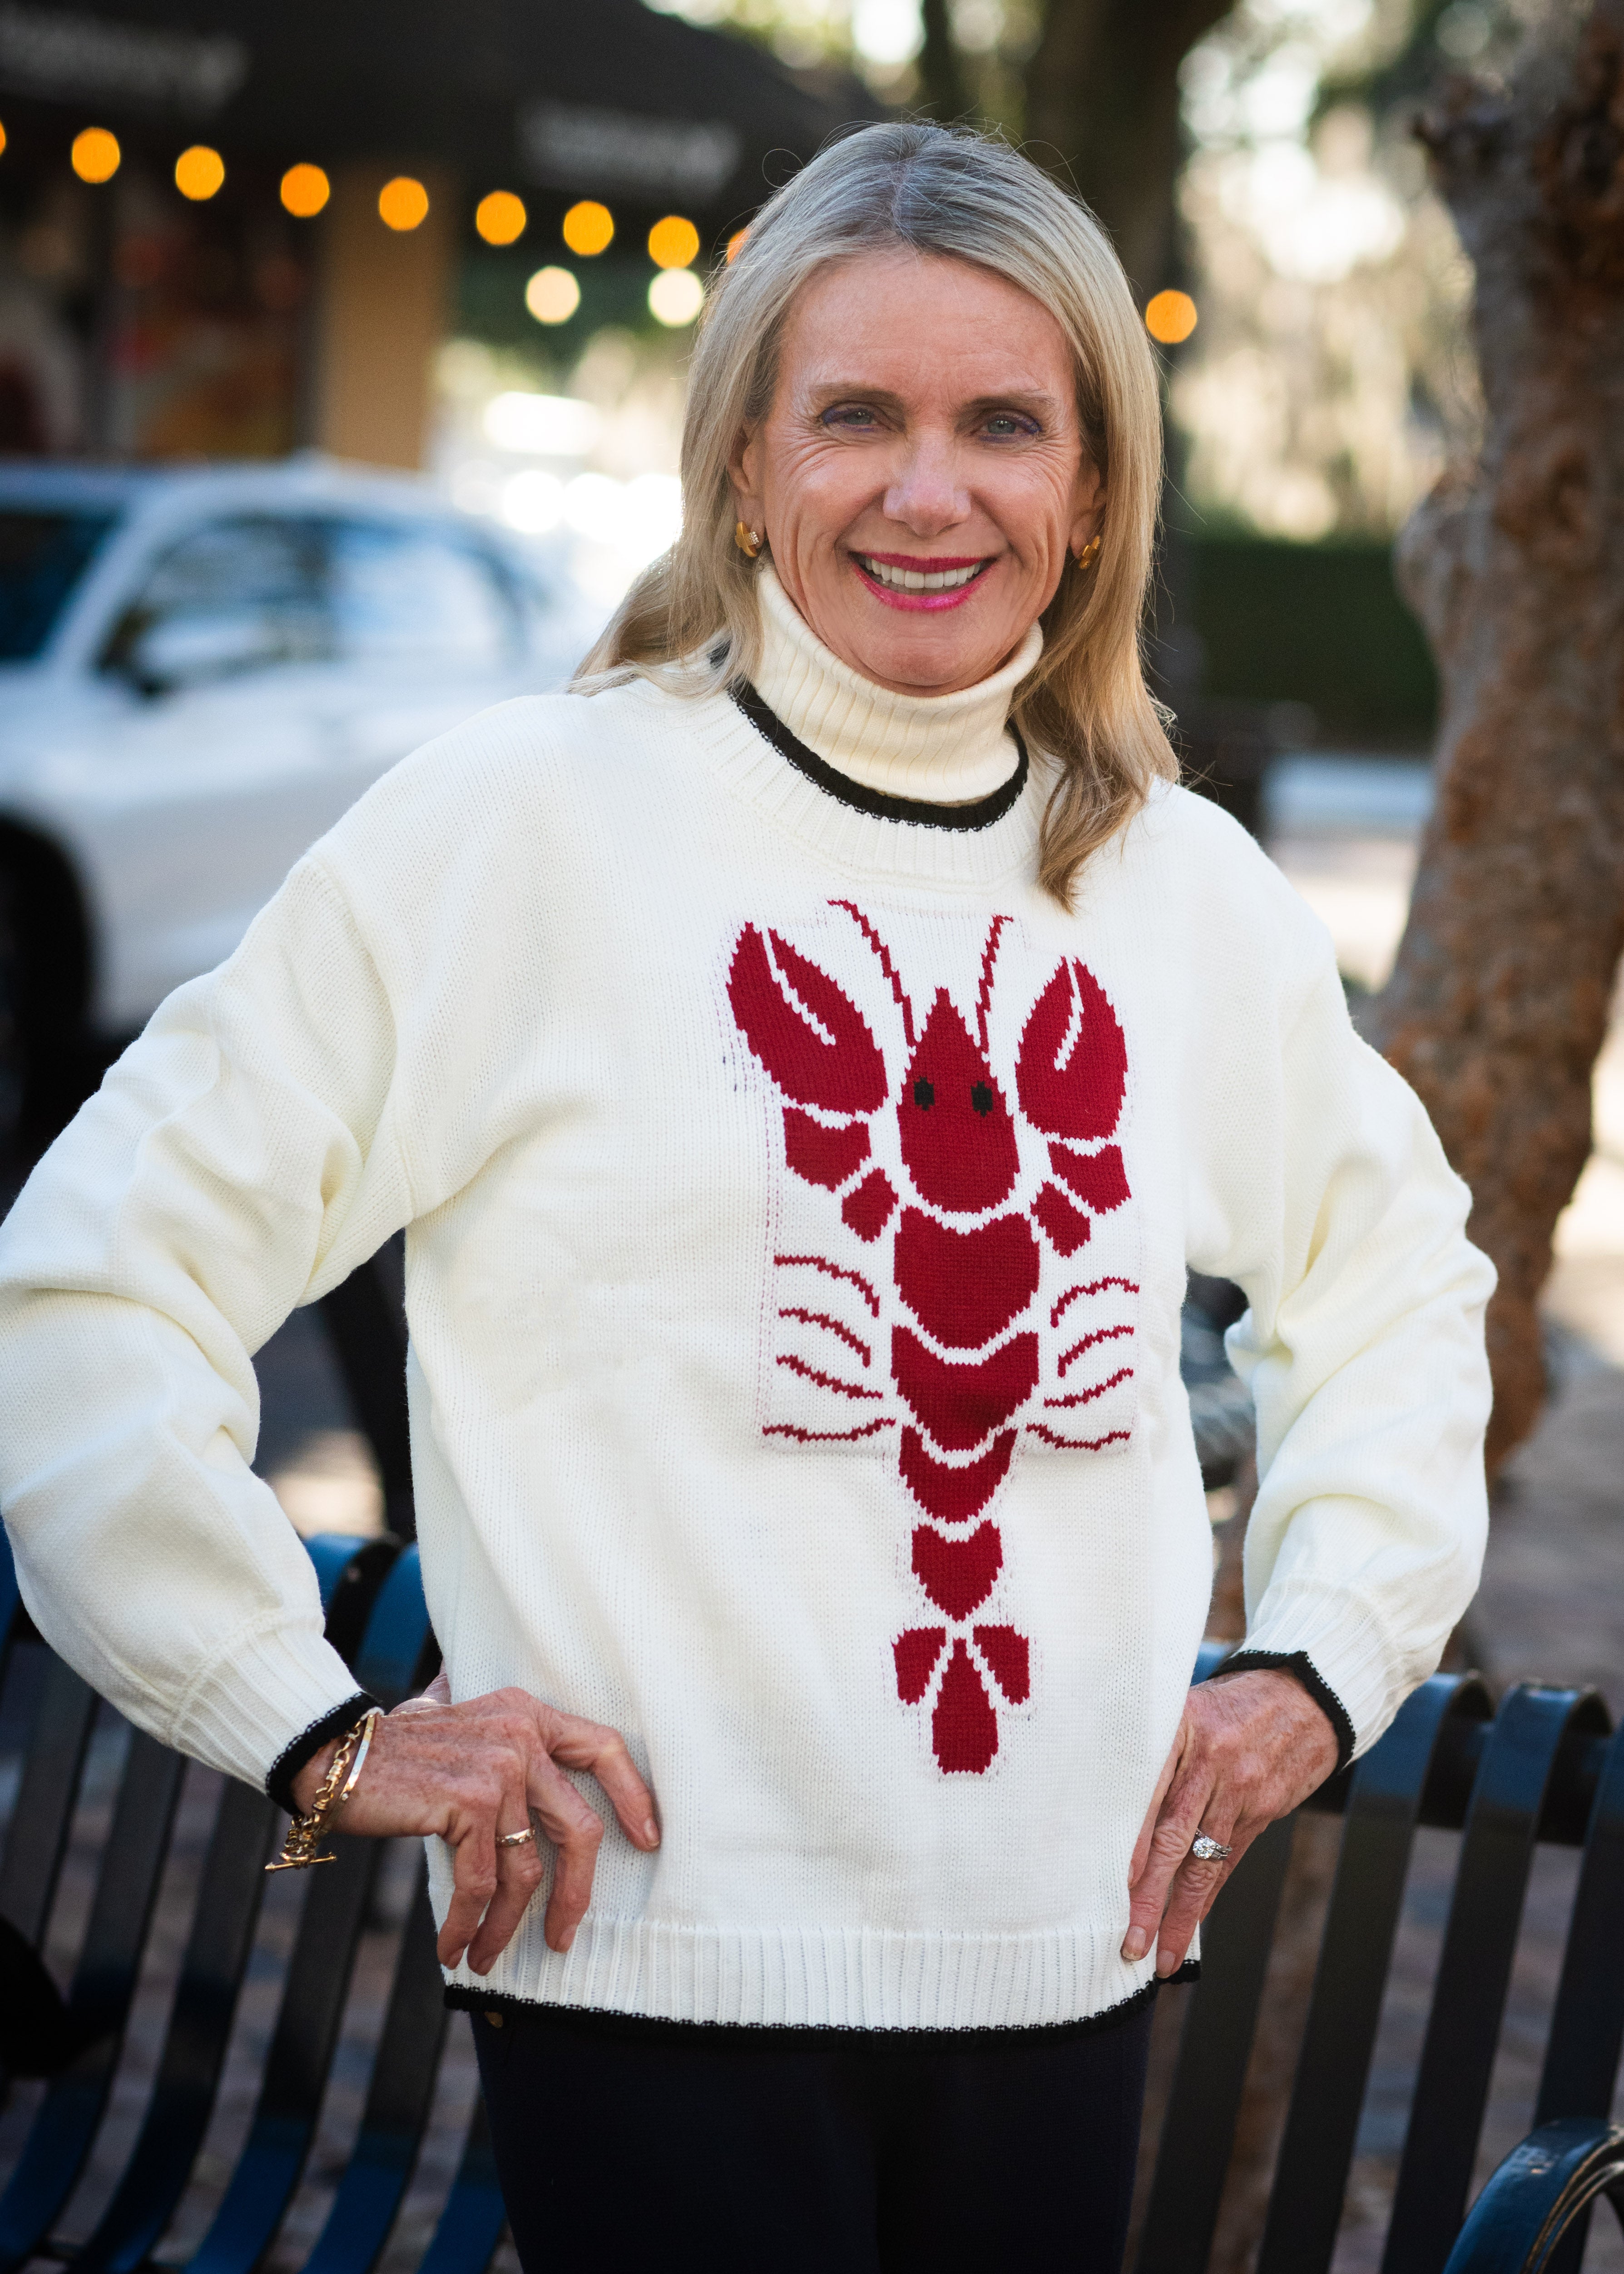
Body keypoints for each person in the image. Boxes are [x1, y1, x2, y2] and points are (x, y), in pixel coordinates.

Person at [0, 123, 1492, 2272]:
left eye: (1005, 425)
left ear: (1094, 491)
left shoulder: (1182, 890)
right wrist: (307, 1722)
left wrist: (1319, 1665)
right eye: (855, 415)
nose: (928, 491)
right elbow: (87, 1279)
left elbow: (1397, 1285)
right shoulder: (521, 826)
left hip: (1062, 1965)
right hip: (646, 1978)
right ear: (740, 464)